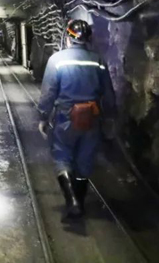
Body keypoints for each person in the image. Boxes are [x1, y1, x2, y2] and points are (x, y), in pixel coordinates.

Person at [37, 19, 116, 220]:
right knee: (85, 161)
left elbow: (49, 93)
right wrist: (110, 117)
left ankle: (71, 201)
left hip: (66, 117)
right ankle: (79, 202)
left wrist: (43, 116)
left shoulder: (57, 60)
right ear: (88, 38)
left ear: (68, 38)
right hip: (92, 117)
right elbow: (108, 93)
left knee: (62, 156)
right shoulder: (97, 60)